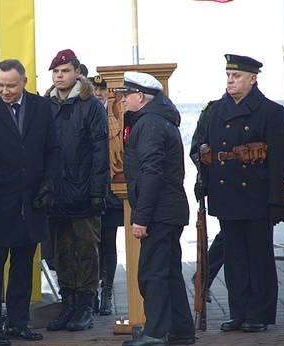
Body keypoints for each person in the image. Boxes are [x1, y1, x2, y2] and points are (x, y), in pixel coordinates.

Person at [196, 54, 284, 333]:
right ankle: (238, 311)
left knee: (259, 257)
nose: (230, 80)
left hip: (257, 195)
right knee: (235, 257)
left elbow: (280, 160)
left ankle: (259, 313)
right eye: (228, 75)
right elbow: (204, 149)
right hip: (225, 193)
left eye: (236, 76)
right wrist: (203, 180)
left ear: (253, 78)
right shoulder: (215, 110)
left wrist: (277, 200)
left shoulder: (270, 111)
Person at [0, 59, 60, 345]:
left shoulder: (42, 108)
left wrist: (50, 183)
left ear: (24, 83)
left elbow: (53, 150)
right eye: (0, 85)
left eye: (10, 85)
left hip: (31, 199)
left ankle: (18, 323)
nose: (4, 91)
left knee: (23, 264)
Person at [115, 72, 195, 346]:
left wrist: (141, 218)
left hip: (159, 212)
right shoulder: (157, 120)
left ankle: (156, 332)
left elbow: (152, 173)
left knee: (152, 273)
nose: (123, 99)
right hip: (168, 210)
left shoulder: (149, 124)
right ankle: (181, 331)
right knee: (169, 272)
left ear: (140, 97)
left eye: (127, 94)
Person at [44, 49, 109, 332]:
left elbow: (100, 152)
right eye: (56, 72)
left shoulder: (90, 105)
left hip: (83, 192)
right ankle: (67, 305)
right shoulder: (46, 105)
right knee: (61, 253)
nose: (60, 76)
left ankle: (85, 307)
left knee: (86, 252)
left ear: (77, 73)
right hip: (56, 194)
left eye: (65, 71)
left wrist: (97, 192)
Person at [89, 74, 124, 315]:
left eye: (104, 89)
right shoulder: (87, 111)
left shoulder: (116, 113)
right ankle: (90, 292)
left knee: (109, 242)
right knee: (91, 243)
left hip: (111, 189)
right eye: (95, 88)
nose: (100, 93)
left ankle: (107, 293)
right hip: (91, 187)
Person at [189, 100, 224, 304]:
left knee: (229, 237)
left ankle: (203, 277)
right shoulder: (212, 111)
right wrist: (206, 176)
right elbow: (198, 150)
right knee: (228, 235)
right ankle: (203, 277)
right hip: (220, 183)